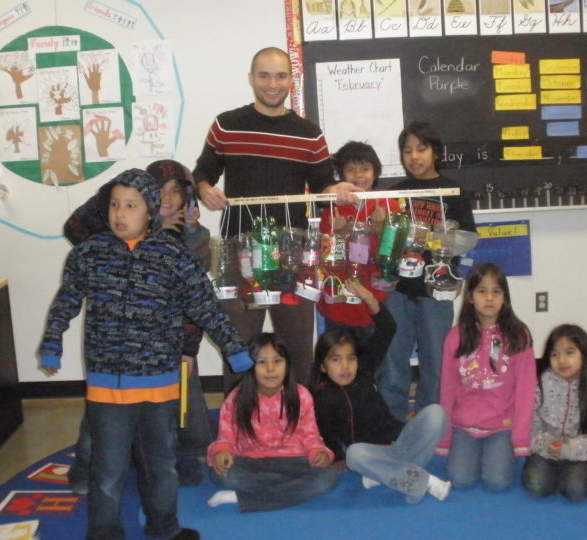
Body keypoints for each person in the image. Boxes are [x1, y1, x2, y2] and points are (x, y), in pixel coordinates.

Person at [38, 168, 252, 540]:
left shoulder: (173, 255)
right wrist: (53, 343)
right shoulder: (90, 254)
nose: (120, 213)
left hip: (160, 384)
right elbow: (66, 302)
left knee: (161, 466)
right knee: (107, 470)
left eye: (131, 205)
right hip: (108, 386)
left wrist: (234, 350)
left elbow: (205, 307)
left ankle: (165, 528)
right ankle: (103, 532)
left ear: (150, 211)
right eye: (115, 205)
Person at [193, 46, 361, 391]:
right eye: (264, 75)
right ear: (251, 79)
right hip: (237, 257)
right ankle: (238, 428)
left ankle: (301, 426)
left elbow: (321, 186)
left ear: (292, 80)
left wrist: (336, 189)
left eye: (281, 75)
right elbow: (203, 172)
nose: (272, 84)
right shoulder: (227, 125)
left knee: (298, 349)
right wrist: (205, 188)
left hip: (294, 259)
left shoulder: (309, 133)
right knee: (238, 348)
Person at [63, 160, 216, 491]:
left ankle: (185, 457)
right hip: (115, 344)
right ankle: (86, 468)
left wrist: (188, 349)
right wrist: (117, 190)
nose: (167, 199)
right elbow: (74, 228)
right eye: (159, 192)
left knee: (182, 401)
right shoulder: (116, 230)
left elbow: (195, 299)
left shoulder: (193, 238)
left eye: (176, 192)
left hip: (166, 341)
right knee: (103, 413)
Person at [311, 280, 451, 503]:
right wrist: (337, 455)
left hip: (399, 441)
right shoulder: (323, 397)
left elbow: (388, 329)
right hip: (372, 453)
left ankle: (385, 475)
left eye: (350, 359)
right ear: (323, 366)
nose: (345, 367)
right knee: (355, 454)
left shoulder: (364, 371)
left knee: (437, 413)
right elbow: (324, 430)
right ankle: (423, 482)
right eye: (335, 360)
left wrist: (370, 300)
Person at [377, 121, 477, 420]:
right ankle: (392, 421)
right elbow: (386, 243)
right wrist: (382, 226)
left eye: (422, 148)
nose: (414, 156)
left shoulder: (453, 191)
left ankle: (431, 421)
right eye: (407, 150)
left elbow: (467, 240)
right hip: (398, 288)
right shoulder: (395, 193)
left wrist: (429, 238)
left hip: (437, 289)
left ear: (435, 152)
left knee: (436, 360)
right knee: (394, 358)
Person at [206, 333, 339, 512]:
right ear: (250, 366)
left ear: (287, 365)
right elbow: (226, 435)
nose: (270, 369)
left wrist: (318, 452)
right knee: (220, 474)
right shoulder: (237, 397)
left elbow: (311, 435)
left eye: (277, 361)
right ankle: (289, 490)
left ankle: (242, 497)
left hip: (293, 461)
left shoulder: (301, 395)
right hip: (251, 462)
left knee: (328, 476)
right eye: (261, 362)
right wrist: (222, 451)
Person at [436, 262, 536, 491]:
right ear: (470, 297)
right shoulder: (455, 337)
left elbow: (525, 390)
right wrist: (446, 437)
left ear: (505, 298)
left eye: (496, 291)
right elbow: (447, 389)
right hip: (464, 425)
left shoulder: (519, 335)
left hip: (502, 425)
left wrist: (520, 438)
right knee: (461, 480)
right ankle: (474, 451)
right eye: (482, 291)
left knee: (497, 482)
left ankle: (497, 452)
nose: (489, 298)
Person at [521, 324, 587, 501]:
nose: (561, 360)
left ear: (584, 354)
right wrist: (544, 443)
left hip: (582, 451)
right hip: (545, 449)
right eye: (554, 354)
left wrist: (577, 449)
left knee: (576, 492)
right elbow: (528, 419)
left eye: (569, 352)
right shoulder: (541, 382)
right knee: (537, 488)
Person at [317, 141, 400, 345]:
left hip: (373, 299)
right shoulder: (332, 208)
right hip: (338, 301)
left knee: (371, 363)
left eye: (365, 169)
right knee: (336, 358)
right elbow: (328, 258)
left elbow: (393, 257)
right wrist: (340, 231)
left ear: (376, 172)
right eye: (351, 170)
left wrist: (380, 227)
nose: (359, 175)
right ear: (341, 175)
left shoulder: (389, 204)